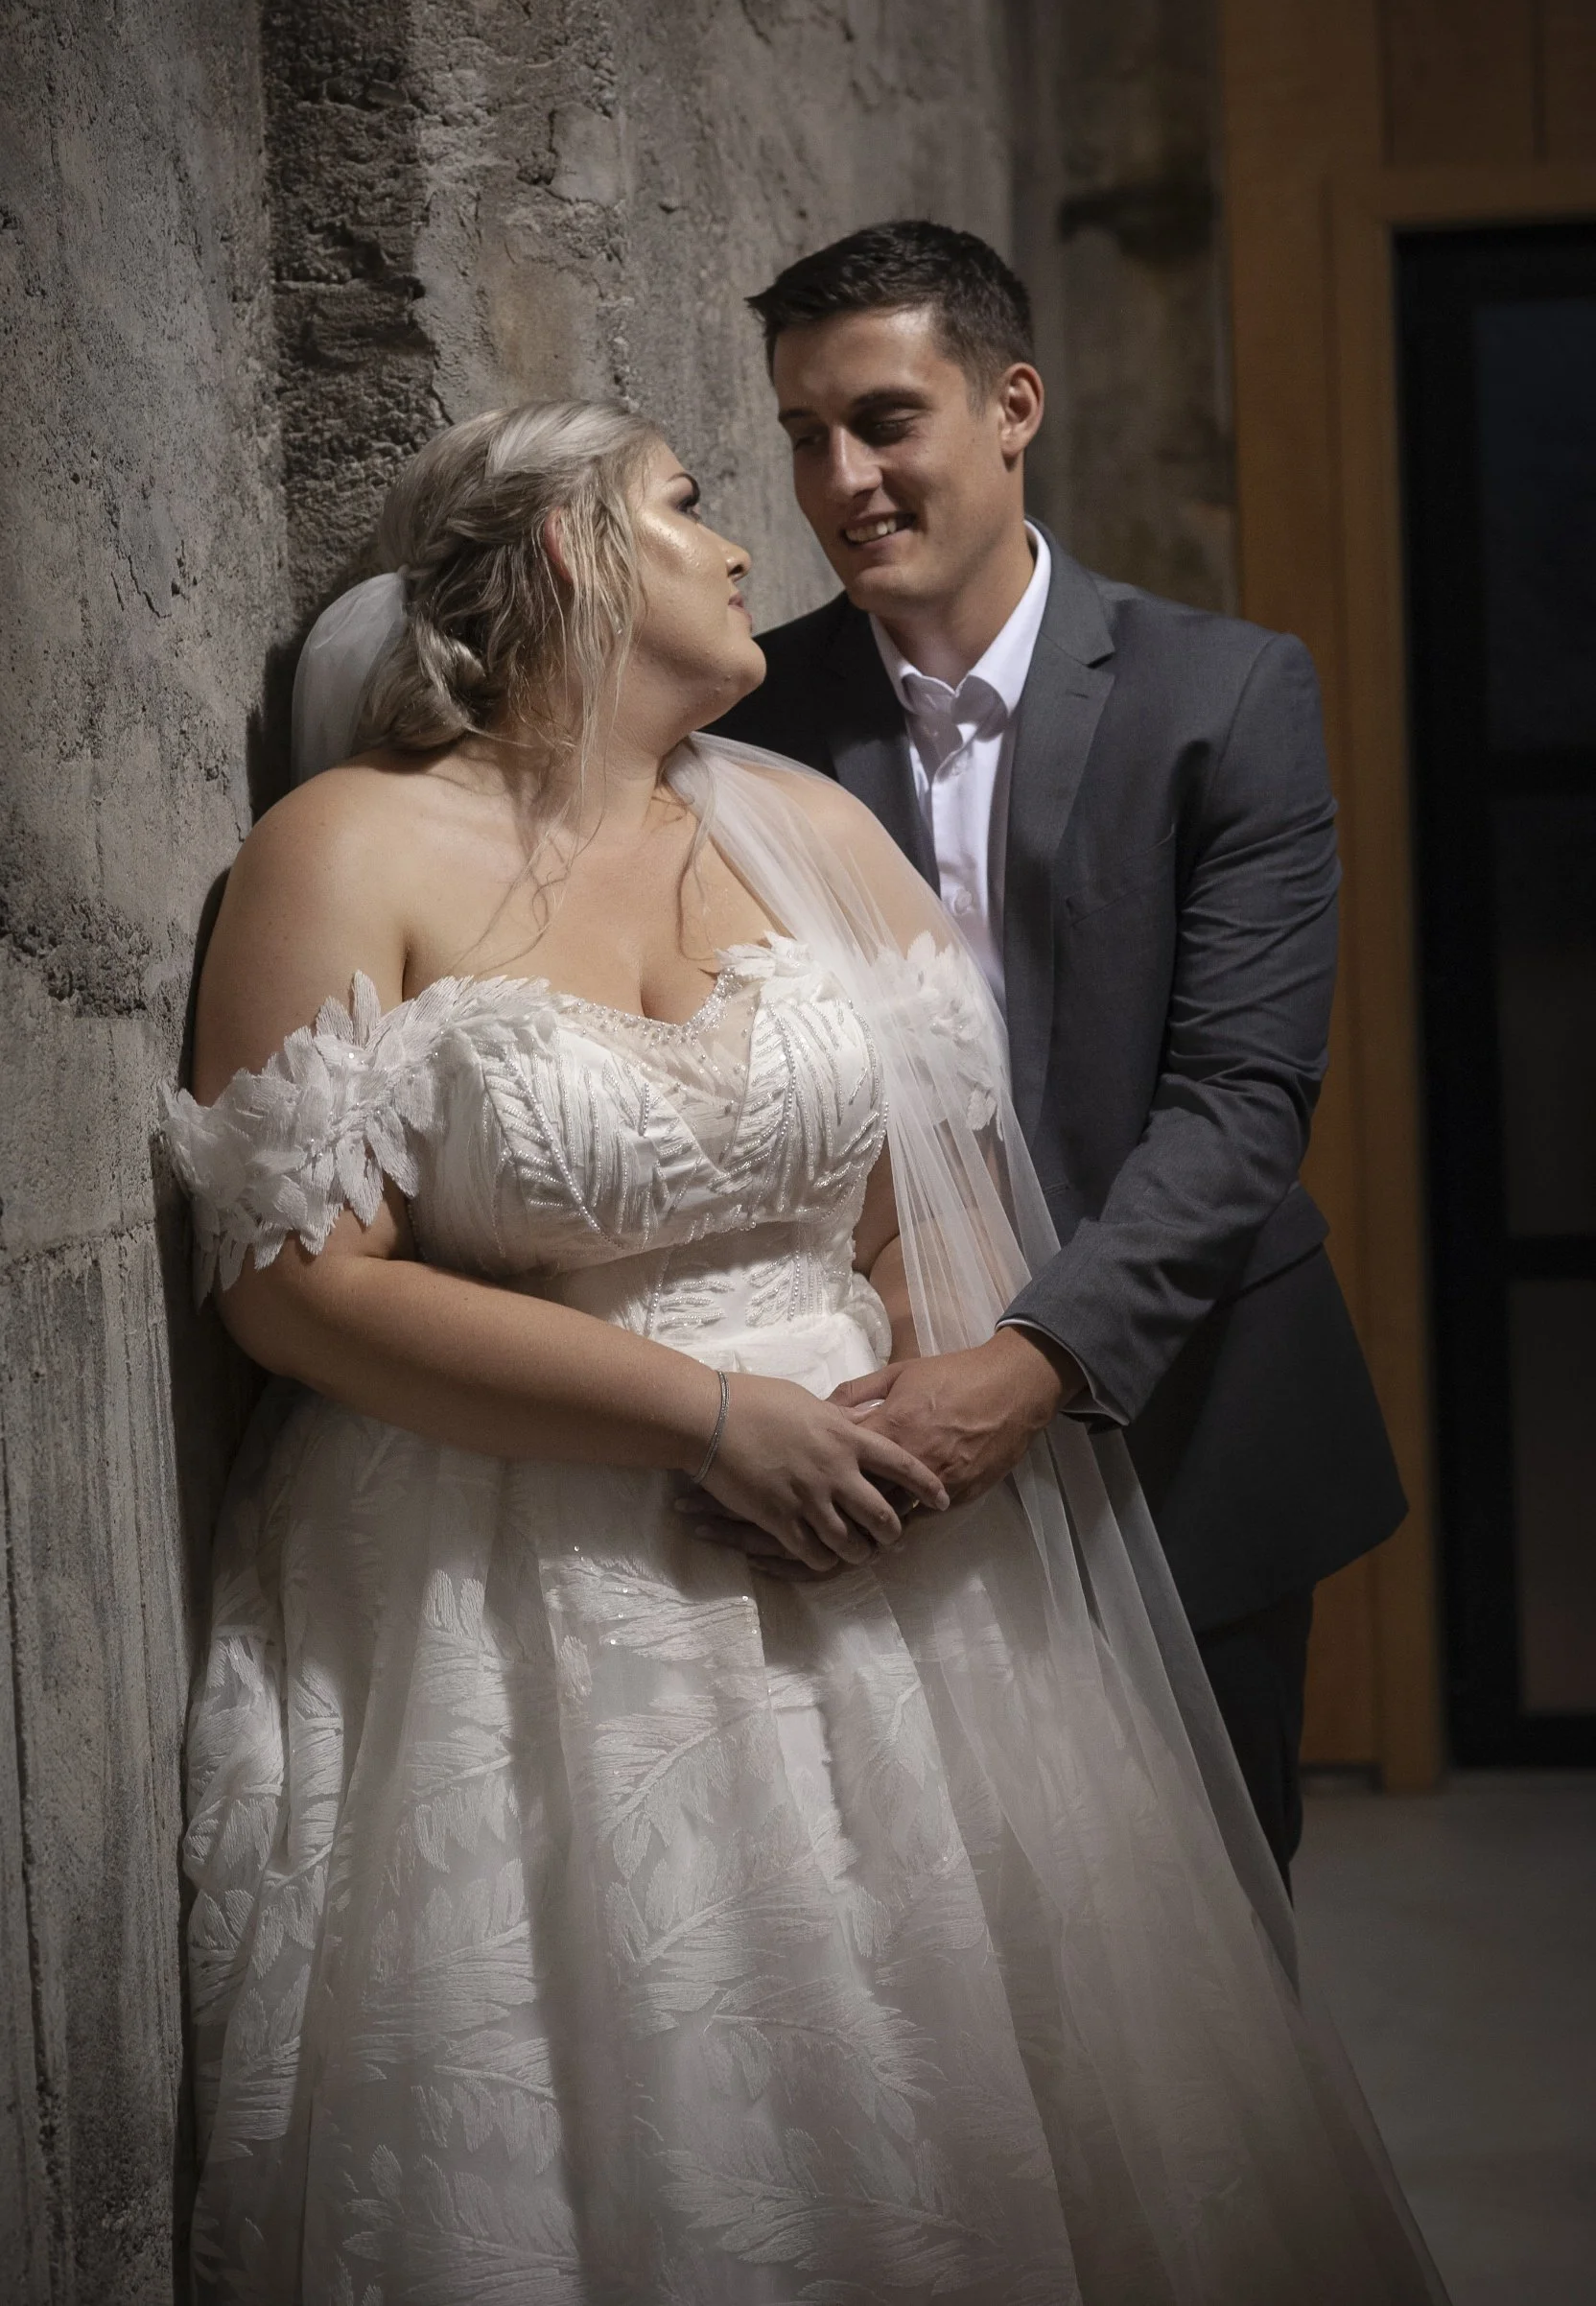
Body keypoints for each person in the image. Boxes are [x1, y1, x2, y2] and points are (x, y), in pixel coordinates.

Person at [163, 402, 1443, 2301]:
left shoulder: (813, 829)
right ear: (574, 553)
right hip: (516, 1577)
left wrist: (923, 1429)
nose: (744, 542)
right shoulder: (342, 848)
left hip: (883, 1541)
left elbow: (918, 1201)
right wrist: (704, 1417)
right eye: (687, 505)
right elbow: (293, 1284)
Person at [715, 221, 1409, 1879]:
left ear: (1012, 404)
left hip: (1184, 1418)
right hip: (873, 1440)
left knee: (1216, 1943)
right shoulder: (746, 717)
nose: (842, 479)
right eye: (805, 436)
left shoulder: (1224, 696)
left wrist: (1029, 1367)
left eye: (886, 420)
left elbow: (1240, 1105)